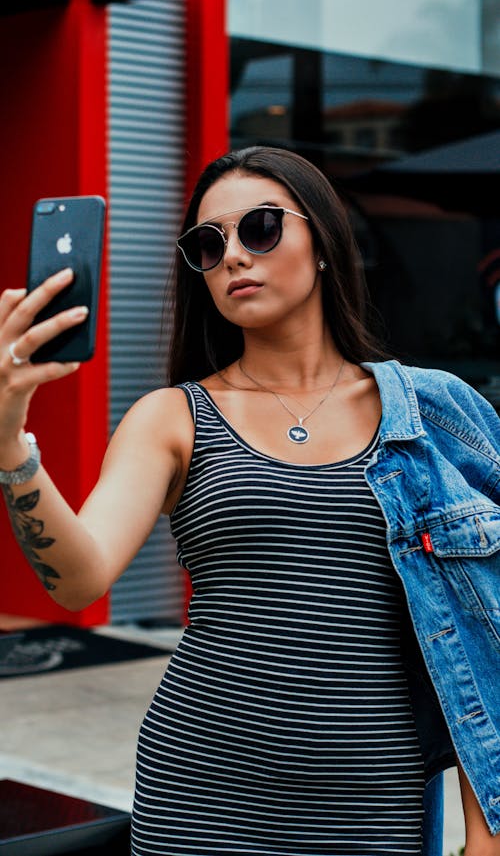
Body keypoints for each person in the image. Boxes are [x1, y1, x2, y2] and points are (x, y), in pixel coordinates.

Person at [0, 146, 499, 856]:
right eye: (209, 244)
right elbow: (79, 577)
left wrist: (486, 833)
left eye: (260, 228)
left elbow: (489, 630)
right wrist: (10, 443)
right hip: (200, 797)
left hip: (370, 808)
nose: (233, 254)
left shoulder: (435, 411)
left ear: (323, 242)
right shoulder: (172, 416)